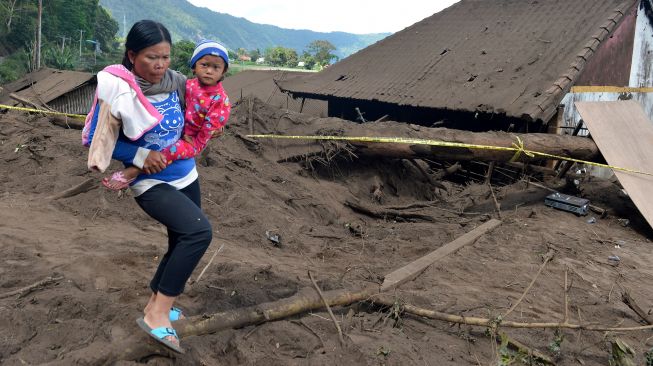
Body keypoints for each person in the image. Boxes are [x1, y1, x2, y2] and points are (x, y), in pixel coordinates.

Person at [82, 20, 213, 354]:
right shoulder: (116, 90)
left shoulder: (179, 83)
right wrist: (142, 153)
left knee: (179, 240)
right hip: (150, 181)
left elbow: (199, 111)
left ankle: (158, 301)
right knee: (198, 233)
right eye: (151, 57)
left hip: (186, 175)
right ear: (131, 55)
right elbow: (102, 142)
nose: (160, 65)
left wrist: (209, 122)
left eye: (166, 57)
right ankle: (156, 315)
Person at [102, 39, 231, 190]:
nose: (209, 71)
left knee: (172, 150)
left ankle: (134, 171)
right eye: (204, 65)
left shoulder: (219, 98)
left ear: (223, 71)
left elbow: (211, 126)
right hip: (182, 132)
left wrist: (196, 142)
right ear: (194, 67)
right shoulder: (187, 84)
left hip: (194, 140)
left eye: (216, 67)